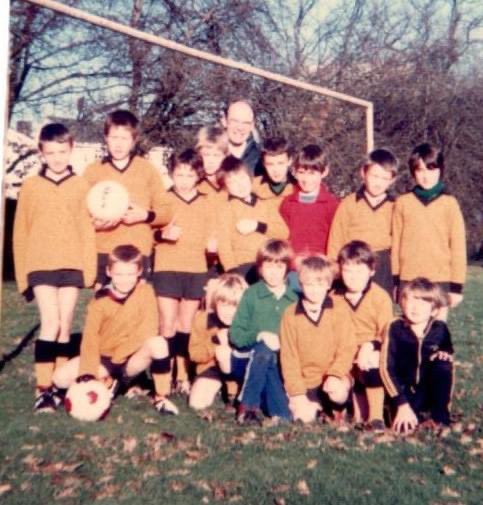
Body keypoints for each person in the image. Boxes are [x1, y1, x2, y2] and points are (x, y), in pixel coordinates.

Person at [13, 123, 96, 412]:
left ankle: (60, 386)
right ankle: (43, 388)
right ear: (41, 153)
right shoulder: (31, 186)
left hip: (71, 266)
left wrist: (89, 270)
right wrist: (23, 276)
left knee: (65, 327)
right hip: (41, 265)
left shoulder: (81, 185)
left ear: (71, 149)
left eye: (63, 152)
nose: (57, 158)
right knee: (51, 323)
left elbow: (86, 230)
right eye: (51, 153)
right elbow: (20, 231)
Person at [52, 245, 179, 415]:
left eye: (130, 274)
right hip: (105, 358)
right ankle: (111, 383)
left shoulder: (146, 292)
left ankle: (161, 396)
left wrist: (121, 355)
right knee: (60, 379)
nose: (124, 279)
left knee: (159, 343)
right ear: (109, 272)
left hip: (130, 358)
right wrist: (88, 373)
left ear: (139, 271)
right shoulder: (99, 301)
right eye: (119, 274)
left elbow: (148, 329)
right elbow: (90, 338)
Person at [83, 109, 172, 287]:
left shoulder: (147, 170)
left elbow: (166, 211)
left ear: (134, 140)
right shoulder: (92, 171)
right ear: (106, 138)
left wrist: (145, 215)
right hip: (104, 250)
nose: (119, 144)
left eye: (125, 138)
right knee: (105, 306)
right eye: (114, 137)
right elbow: (79, 214)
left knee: (136, 309)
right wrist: (94, 224)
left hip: (138, 250)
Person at [152, 149, 216, 395]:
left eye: (190, 175)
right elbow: (149, 233)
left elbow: (213, 235)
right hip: (167, 267)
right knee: (167, 323)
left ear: (198, 175)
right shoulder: (163, 199)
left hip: (195, 269)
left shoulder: (206, 202)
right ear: (172, 174)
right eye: (179, 174)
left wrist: (212, 247)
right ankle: (163, 375)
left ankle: (182, 374)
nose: (184, 180)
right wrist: (162, 235)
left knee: (185, 324)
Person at [392, 143, 466, 319]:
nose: (426, 176)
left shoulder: (450, 204)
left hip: (439, 279)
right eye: (420, 170)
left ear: (440, 170)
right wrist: (396, 280)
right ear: (413, 172)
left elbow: (458, 247)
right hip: (409, 279)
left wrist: (456, 287)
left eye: (432, 169)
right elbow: (396, 244)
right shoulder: (403, 203)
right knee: (410, 333)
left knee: (436, 335)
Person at [280, 255, 356, 424]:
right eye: (309, 284)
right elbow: (289, 357)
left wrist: (335, 374)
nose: (314, 290)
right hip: (306, 380)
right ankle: (315, 407)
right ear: (301, 284)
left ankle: (338, 406)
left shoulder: (339, 308)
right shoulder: (290, 314)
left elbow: (347, 348)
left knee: (337, 392)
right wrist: (297, 392)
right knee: (304, 417)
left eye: (320, 284)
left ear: (328, 285)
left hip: (332, 377)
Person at [228, 239, 297, 425]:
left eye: (279, 266)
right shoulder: (251, 294)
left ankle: (276, 409)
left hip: (277, 363)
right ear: (260, 268)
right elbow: (236, 335)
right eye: (268, 266)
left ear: (287, 268)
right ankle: (247, 406)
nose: (273, 272)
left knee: (283, 416)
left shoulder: (293, 299)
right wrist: (259, 335)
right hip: (247, 357)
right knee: (264, 350)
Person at [333, 241, 393, 432]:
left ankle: (376, 417)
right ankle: (339, 407)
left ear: (372, 271)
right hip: (342, 356)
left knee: (373, 359)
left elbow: (387, 333)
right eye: (347, 271)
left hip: (367, 356)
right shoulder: (333, 297)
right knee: (336, 392)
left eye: (359, 271)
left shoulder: (380, 297)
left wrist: (371, 344)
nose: (353, 277)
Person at [380, 278, 454, 433]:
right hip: (401, 392)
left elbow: (447, 349)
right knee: (404, 426)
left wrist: (444, 353)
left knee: (443, 364)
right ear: (402, 302)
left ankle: (439, 415)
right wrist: (401, 403)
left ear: (434, 310)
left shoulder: (439, 328)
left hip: (426, 389)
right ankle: (401, 411)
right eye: (411, 300)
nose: (415, 307)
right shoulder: (395, 327)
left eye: (423, 303)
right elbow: (387, 368)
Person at [327, 149, 398, 295]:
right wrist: (334, 266)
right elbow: (337, 236)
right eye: (374, 176)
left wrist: (398, 274)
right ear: (363, 173)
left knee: (380, 307)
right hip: (354, 261)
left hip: (382, 265)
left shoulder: (395, 205)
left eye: (384, 178)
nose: (378, 183)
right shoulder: (349, 203)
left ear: (392, 180)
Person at [216, 155, 289, 284]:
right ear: (226, 188)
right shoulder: (227, 209)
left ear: (250, 178)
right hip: (242, 266)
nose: (240, 185)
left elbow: (283, 233)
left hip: (268, 264)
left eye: (242, 178)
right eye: (233, 182)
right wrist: (232, 270)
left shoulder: (265, 205)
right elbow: (224, 244)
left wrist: (258, 226)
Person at [188, 273, 248, 410]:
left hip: (240, 368)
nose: (228, 312)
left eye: (234, 306)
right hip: (211, 367)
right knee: (197, 404)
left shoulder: (248, 322)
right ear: (215, 303)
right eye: (223, 305)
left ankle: (232, 392)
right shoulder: (203, 319)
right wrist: (214, 343)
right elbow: (194, 354)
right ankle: (218, 387)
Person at [253, 136, 294, 213]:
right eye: (270, 164)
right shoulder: (253, 187)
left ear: (289, 161)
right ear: (264, 164)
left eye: (280, 163)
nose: (276, 170)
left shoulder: (297, 188)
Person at [221, 100, 262, 176]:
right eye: (235, 121)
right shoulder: (211, 156)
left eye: (246, 123)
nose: (240, 127)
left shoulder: (261, 159)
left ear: (252, 125)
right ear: (224, 121)